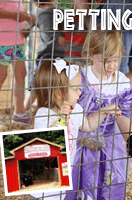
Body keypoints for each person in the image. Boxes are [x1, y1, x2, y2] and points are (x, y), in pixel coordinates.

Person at [31, 58, 121, 199]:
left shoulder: (76, 109)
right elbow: (45, 141)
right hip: (44, 174)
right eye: (75, 89)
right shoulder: (44, 114)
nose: (80, 92)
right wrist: (62, 118)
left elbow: (89, 125)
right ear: (58, 93)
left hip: (63, 173)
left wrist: (103, 112)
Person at [64, 27, 132, 200]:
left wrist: (131, 143)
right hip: (81, 139)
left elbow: (124, 118)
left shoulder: (121, 83)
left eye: (116, 59)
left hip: (111, 141)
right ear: (91, 55)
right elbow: (67, 109)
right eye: (105, 61)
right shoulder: (79, 77)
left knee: (112, 182)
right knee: (79, 180)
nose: (111, 66)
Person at [24, 0, 66, 112]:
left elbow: (25, 29)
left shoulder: (39, 14)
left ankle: (23, 111)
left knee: (36, 85)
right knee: (61, 85)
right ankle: (61, 111)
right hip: (63, 56)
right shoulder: (64, 12)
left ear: (37, 4)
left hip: (45, 55)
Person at [0, 0, 35, 125]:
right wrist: (16, 15)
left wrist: (27, 18)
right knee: (1, 75)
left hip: (17, 41)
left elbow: (19, 13)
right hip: (2, 42)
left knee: (21, 74)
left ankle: (19, 112)